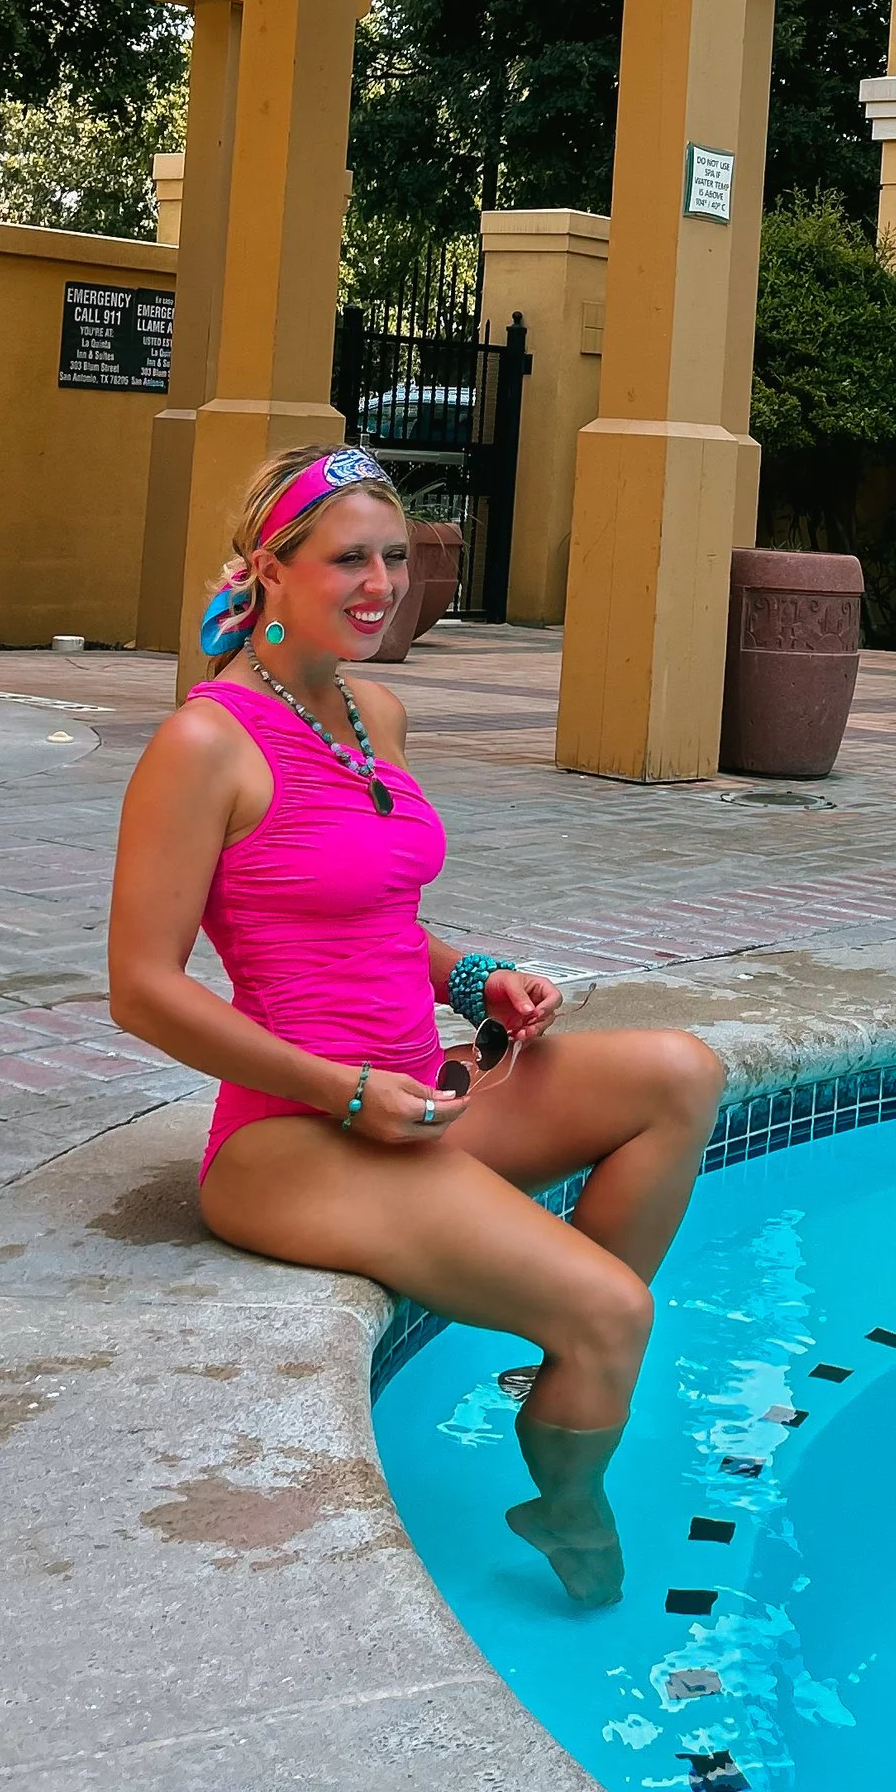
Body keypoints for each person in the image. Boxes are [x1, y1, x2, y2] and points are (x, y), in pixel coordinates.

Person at [107, 444, 724, 1606]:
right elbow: (143, 986)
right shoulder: (206, 742)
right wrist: (344, 1091)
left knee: (678, 1073)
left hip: (416, 1090)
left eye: (395, 556)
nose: (381, 582)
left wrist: (472, 974)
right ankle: (567, 1500)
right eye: (348, 558)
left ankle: (561, 1359)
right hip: (296, 1135)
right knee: (614, 1308)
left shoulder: (370, 708)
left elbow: (371, 902)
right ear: (269, 572)